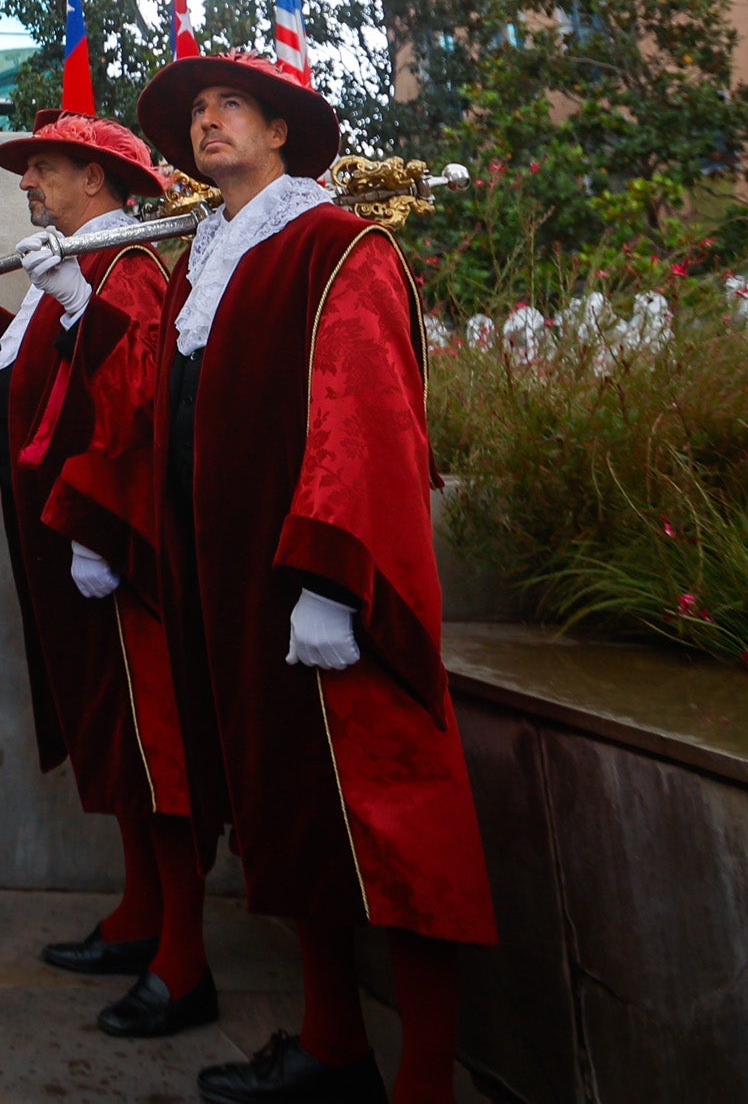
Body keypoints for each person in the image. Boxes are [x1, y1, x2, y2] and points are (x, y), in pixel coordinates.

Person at [65, 54, 493, 1104]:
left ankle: (425, 1079)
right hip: (227, 582)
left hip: (319, 588)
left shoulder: (334, 247)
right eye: (198, 111)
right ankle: (330, 1041)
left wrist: (334, 578)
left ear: (282, 132)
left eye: (231, 107)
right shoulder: (204, 254)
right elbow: (150, 403)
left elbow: (368, 415)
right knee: (288, 816)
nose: (208, 123)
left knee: (386, 826)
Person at [0, 111, 221, 1028]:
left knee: (156, 745)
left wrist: (99, 528)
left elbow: (131, 397)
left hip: (116, 548)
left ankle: (184, 956)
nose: (31, 185)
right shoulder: (80, 266)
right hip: (72, 545)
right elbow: (32, 387)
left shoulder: (130, 269)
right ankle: (142, 912)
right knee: (116, 737)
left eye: (45, 170)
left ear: (97, 182)